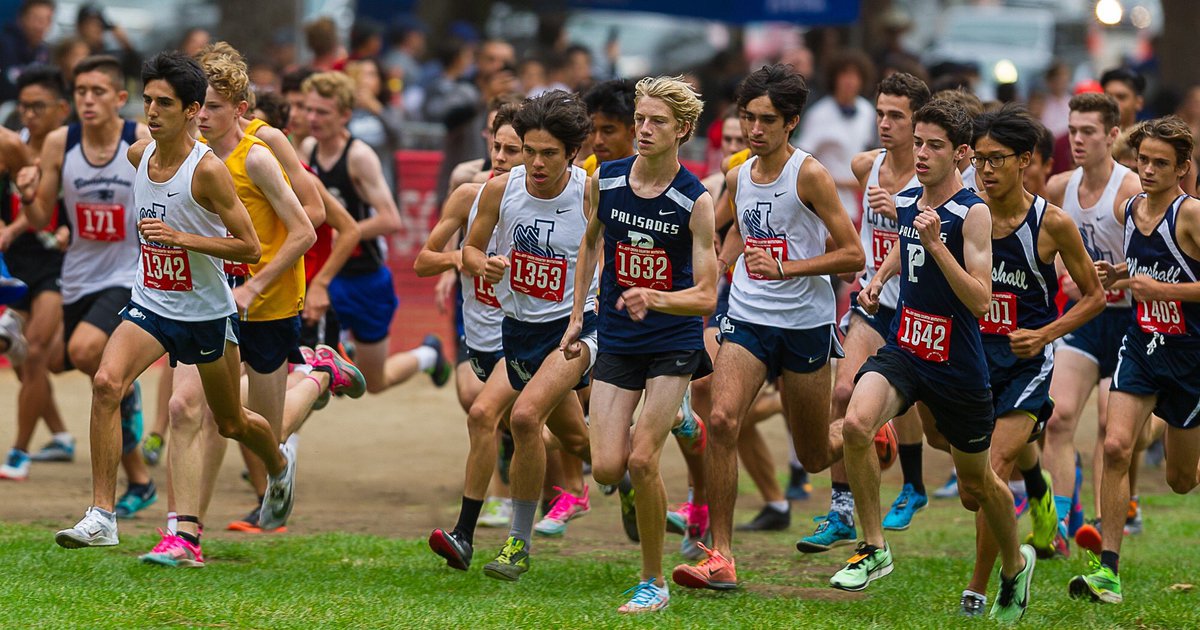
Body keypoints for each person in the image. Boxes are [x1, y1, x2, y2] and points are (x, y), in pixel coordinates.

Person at [53, 51, 296, 550]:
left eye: (165, 102)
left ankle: (278, 463)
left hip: (206, 314)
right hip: (152, 303)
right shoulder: (137, 155)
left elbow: (249, 247)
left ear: (191, 111)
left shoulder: (207, 171)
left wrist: (184, 239)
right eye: (147, 100)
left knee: (231, 423)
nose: (152, 110)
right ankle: (102, 515)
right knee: (105, 382)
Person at [833, 98, 1036, 622]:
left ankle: (1015, 565)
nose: (920, 154)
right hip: (907, 348)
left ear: (962, 153)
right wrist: (878, 280)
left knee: (978, 485)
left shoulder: (974, 211)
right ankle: (874, 547)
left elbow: (981, 300)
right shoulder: (906, 201)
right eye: (917, 143)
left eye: (934, 146)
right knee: (856, 423)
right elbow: (906, 242)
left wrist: (937, 245)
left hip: (958, 366)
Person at [671, 63, 866, 591]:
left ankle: (870, 431)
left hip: (804, 324)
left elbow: (852, 254)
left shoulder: (810, 175)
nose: (755, 130)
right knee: (726, 420)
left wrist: (787, 268)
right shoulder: (738, 174)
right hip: (750, 318)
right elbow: (736, 231)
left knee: (813, 454)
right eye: (748, 118)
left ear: (791, 123)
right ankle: (722, 555)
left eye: (767, 120)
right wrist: (719, 259)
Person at [134, 49, 318, 566]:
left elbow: (309, 223)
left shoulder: (260, 152)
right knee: (186, 409)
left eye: (214, 106)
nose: (203, 115)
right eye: (200, 105)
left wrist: (256, 287)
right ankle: (185, 535)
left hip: (266, 302)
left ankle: (320, 374)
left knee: (261, 428)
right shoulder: (183, 153)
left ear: (237, 108)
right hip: (212, 303)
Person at [566, 76, 716, 613]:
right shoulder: (604, 181)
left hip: (672, 339)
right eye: (641, 119)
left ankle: (652, 583)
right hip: (618, 336)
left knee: (643, 458)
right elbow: (588, 246)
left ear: (683, 131)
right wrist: (576, 315)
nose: (644, 130)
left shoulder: (694, 201)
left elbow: (705, 295)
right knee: (607, 468)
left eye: (658, 122)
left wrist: (655, 297)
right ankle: (680, 417)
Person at [956, 105, 1104, 616]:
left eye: (997, 159)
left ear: (1026, 161)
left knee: (991, 468)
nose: (986, 170)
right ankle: (1040, 493)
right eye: (978, 160)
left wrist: (1044, 332)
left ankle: (989, 586)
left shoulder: (1050, 223)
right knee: (972, 491)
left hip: (1027, 362)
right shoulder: (964, 213)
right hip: (973, 359)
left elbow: (1094, 297)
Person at [460, 90, 595, 581]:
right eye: (530, 151)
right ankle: (624, 475)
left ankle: (517, 546)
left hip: (577, 323)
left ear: (572, 152)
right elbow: (470, 251)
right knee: (582, 441)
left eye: (549, 154)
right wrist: (486, 264)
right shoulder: (501, 190)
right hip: (520, 328)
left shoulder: (589, 192)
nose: (537, 163)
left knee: (523, 417)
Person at [14, 56, 158, 516]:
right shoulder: (61, 142)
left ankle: (117, 482)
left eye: (98, 92)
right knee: (70, 368)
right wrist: (28, 193)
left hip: (128, 275)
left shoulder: (139, 139)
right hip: (77, 275)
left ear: (119, 98)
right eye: (81, 92)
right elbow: (39, 220)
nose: (88, 100)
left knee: (83, 352)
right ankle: (140, 479)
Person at [797, 72, 932, 554]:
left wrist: (900, 211)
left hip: (924, 308)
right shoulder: (863, 165)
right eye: (880, 113)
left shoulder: (932, 177)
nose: (885, 123)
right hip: (874, 302)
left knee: (936, 424)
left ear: (918, 121)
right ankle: (840, 511)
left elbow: (944, 238)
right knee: (842, 392)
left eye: (896, 115)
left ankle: (914, 484)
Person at [1071, 116, 1200, 604]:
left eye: (1160, 163)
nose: (1147, 170)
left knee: (1181, 481)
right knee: (1116, 445)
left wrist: (1161, 289)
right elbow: (1147, 265)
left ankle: (1174, 432)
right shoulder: (1128, 210)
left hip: (1188, 356)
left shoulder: (1191, 215)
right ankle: (1108, 570)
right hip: (1142, 344)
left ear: (1183, 168)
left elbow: (1174, 274)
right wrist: (1120, 272)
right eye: (1142, 160)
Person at [300, 71, 451, 395]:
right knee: (309, 365)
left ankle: (428, 354)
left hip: (365, 278)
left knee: (375, 382)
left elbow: (391, 218)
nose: (313, 118)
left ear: (344, 115)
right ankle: (336, 354)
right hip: (328, 275)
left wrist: (345, 232)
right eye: (309, 110)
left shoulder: (359, 157)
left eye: (322, 112)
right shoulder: (308, 149)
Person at [421, 101, 523, 570]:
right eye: (496, 147)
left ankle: (464, 534)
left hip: (526, 335)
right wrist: (462, 258)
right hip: (478, 332)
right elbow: (424, 259)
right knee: (572, 441)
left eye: (513, 151)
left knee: (483, 412)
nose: (500, 158)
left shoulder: (552, 203)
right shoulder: (467, 195)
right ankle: (617, 479)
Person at [1043, 93, 1142, 541]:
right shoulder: (1058, 187)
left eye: (1088, 132)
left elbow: (1155, 262)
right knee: (1058, 417)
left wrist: (1111, 280)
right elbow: (1049, 251)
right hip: (1085, 320)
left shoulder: (1131, 190)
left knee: (1108, 421)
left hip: (1129, 321)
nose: (1077, 139)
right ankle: (1060, 522)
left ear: (1113, 136)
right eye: (1073, 130)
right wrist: (1065, 273)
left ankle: (1104, 523)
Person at [0, 66, 71, 478]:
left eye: (37, 106)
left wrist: (67, 229)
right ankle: (60, 435)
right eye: (22, 106)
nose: (28, 114)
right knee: (26, 360)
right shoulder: (14, 147)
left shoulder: (74, 147)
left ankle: (18, 453)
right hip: (20, 259)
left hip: (59, 261)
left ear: (61, 109)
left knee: (40, 351)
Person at [0, 0, 55, 103]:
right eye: (36, 19)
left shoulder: (45, 51)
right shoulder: (3, 45)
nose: (40, 25)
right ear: (21, 19)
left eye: (47, 20)